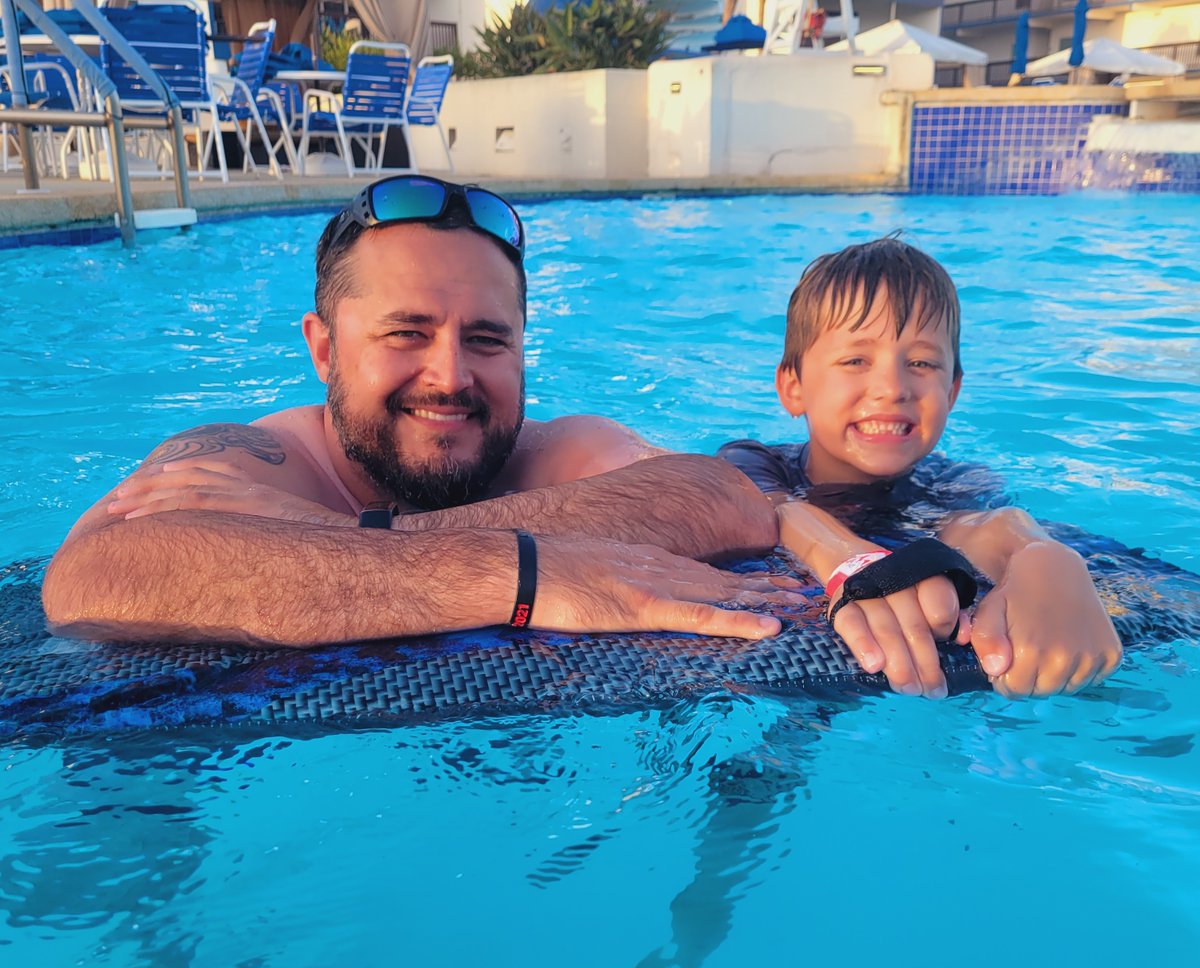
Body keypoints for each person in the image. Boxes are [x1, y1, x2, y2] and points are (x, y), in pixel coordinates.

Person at [44, 175, 798, 647]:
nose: (450, 377)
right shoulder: (259, 461)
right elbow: (92, 576)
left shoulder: (550, 451)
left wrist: (340, 538)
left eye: (487, 338)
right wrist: (513, 571)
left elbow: (723, 496)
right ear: (325, 351)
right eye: (407, 333)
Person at [719, 236, 1124, 700]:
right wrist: (852, 560)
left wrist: (1039, 552)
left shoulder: (955, 481)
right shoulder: (752, 461)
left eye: (921, 362)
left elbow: (970, 529)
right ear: (793, 388)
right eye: (855, 360)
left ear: (951, 391)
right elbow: (774, 509)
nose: (893, 387)